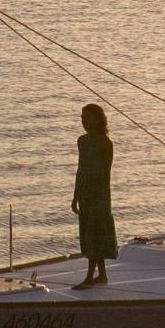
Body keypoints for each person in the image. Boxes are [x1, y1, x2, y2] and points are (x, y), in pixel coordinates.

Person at [72, 102, 118, 288]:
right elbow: (80, 169)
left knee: (95, 232)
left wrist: (100, 197)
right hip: (85, 192)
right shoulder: (82, 141)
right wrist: (75, 197)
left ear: (98, 120)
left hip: (99, 194)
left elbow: (106, 173)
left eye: (87, 118)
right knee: (88, 233)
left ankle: (91, 276)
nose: (84, 122)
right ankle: (102, 274)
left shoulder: (105, 143)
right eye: (82, 118)